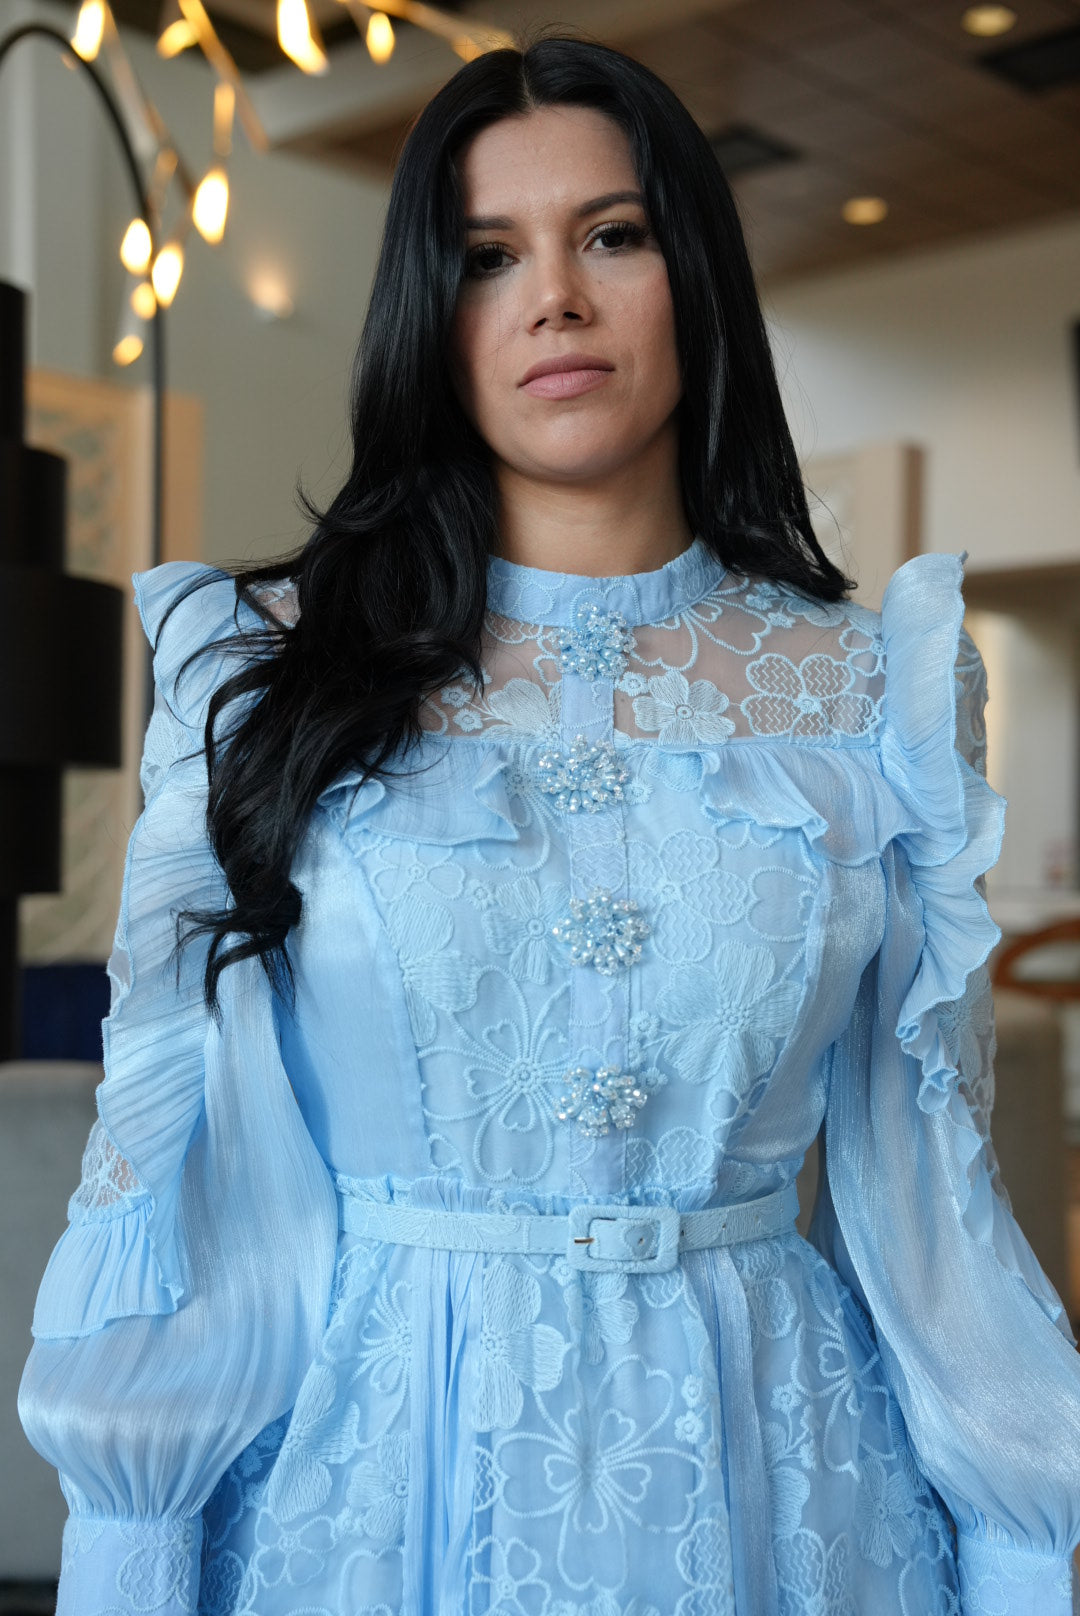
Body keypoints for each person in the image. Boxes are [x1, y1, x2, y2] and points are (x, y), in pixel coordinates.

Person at [18, 34, 1080, 1616]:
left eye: (614, 234)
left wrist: (1024, 1551)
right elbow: (194, 1187)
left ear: (694, 277)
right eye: (487, 256)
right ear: (426, 316)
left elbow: (936, 1195)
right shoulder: (262, 675)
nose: (555, 299)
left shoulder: (875, 691)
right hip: (378, 1491)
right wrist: (136, 1547)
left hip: (783, 1489)